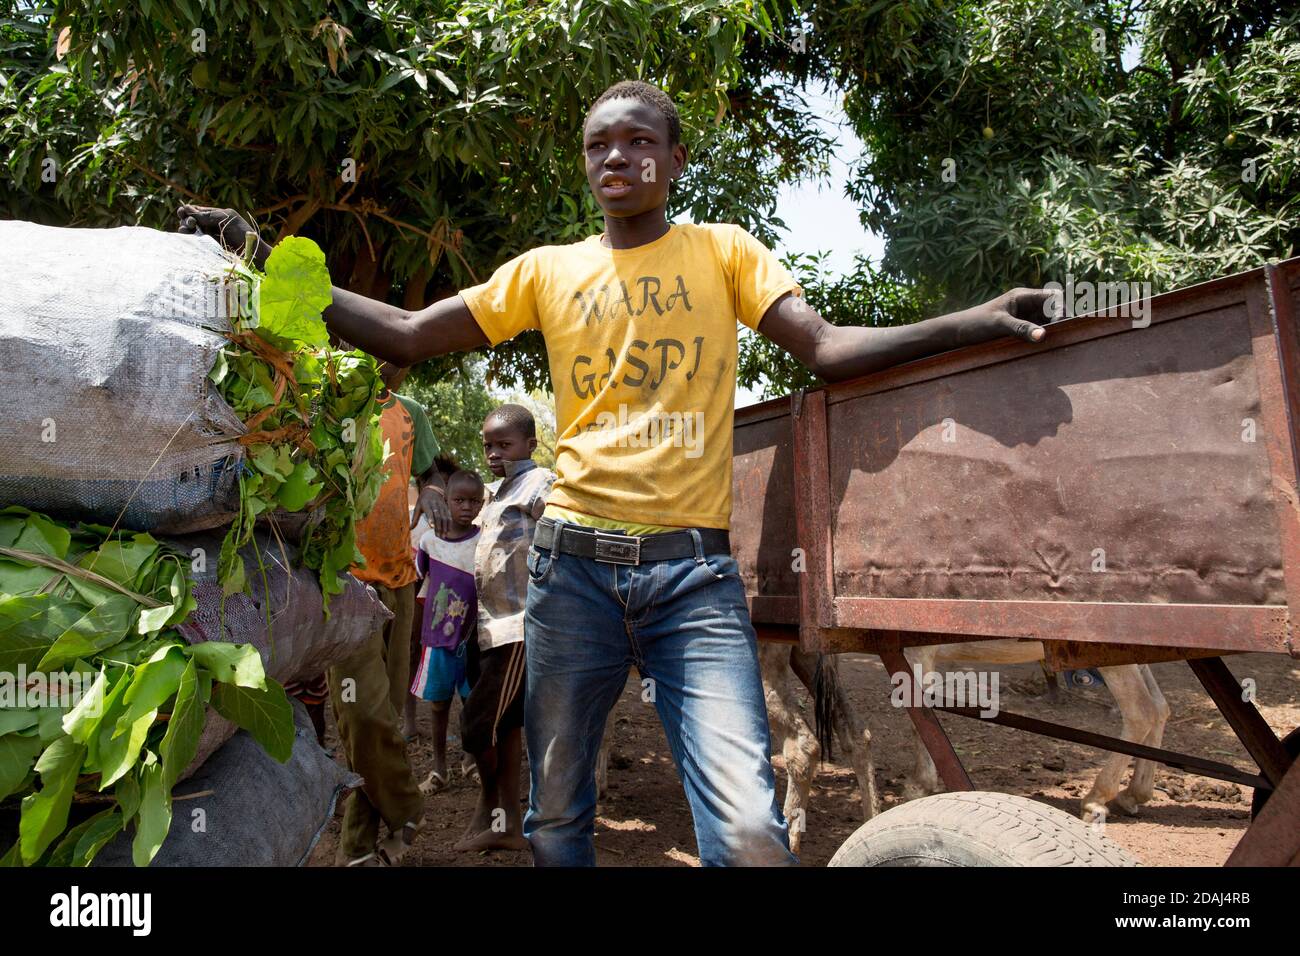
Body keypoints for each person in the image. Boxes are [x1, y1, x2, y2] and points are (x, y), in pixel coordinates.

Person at [178, 79, 1050, 866]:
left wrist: (971, 320)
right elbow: (408, 334)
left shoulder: (724, 253)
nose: (615, 157)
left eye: (636, 141)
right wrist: (263, 261)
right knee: (555, 818)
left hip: (693, 580)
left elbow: (824, 349)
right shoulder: (547, 271)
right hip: (571, 575)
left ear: (674, 159)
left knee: (749, 831)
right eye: (598, 145)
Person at [325, 364, 442, 866]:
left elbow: (433, 469)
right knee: (362, 717)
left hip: (399, 580)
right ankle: (409, 806)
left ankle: (356, 851)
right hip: (343, 583)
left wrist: (434, 487)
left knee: (386, 720)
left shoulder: (410, 412)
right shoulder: (327, 404)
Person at [455, 404, 555, 852]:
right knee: (507, 725)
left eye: (504, 444)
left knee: (477, 726)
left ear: (530, 445)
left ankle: (490, 799)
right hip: (485, 623)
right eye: (488, 446)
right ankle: (508, 824)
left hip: (516, 624)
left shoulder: (540, 484)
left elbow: (558, 539)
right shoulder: (494, 492)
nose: (494, 453)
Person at [409, 467, 486, 794]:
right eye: (459, 500)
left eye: (473, 501)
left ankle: (470, 760)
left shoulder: (483, 541)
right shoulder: (429, 542)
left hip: (472, 643)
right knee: (439, 705)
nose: (466, 508)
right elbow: (423, 578)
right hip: (437, 641)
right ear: (447, 501)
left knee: (471, 703)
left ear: (481, 505)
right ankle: (439, 768)